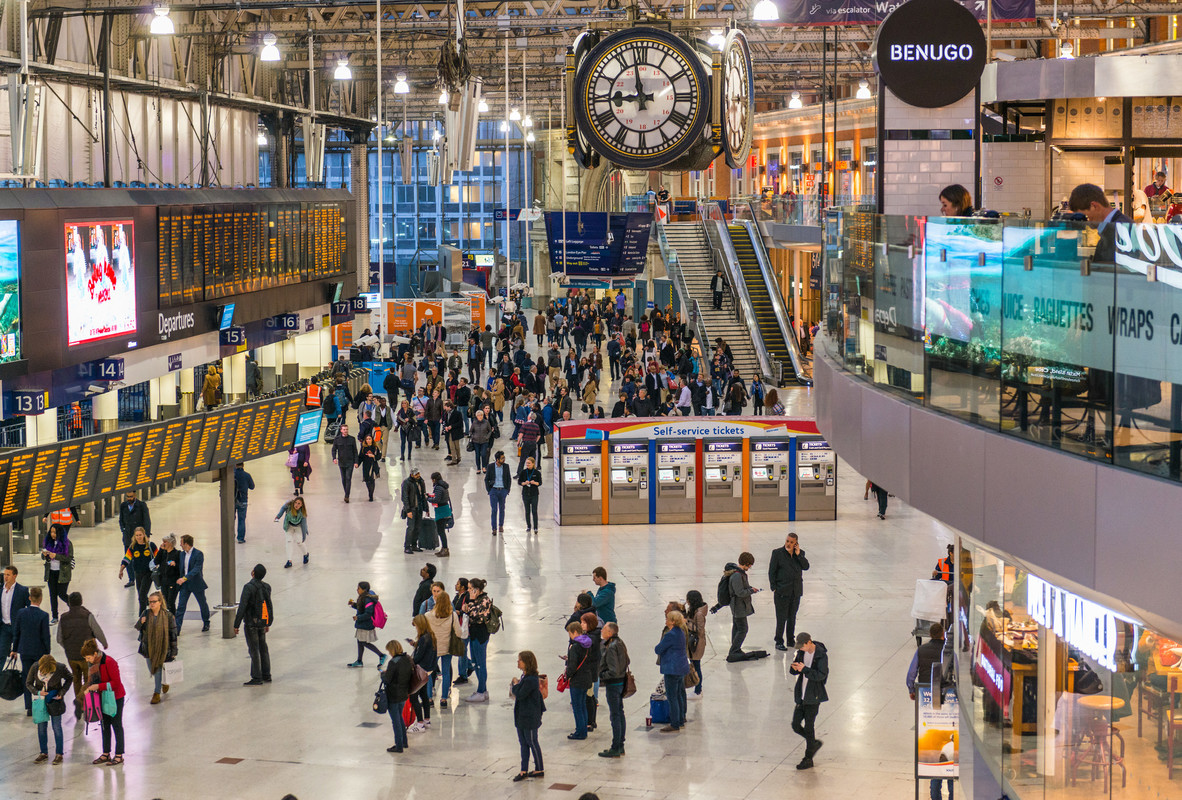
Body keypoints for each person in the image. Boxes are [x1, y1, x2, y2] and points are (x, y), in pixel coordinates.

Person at [57, 592, 106, 718]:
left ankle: (80, 704)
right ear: (81, 601)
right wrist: (104, 643)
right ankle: (81, 701)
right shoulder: (87, 616)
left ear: (69, 603)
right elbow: (97, 630)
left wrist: (67, 648)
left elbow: (59, 639)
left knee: (76, 678)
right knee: (88, 679)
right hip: (86, 655)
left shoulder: (63, 617)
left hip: (71, 656)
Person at [81, 638, 126, 765]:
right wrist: (88, 689)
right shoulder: (93, 665)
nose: (87, 660)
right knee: (105, 725)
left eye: (88, 657)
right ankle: (106, 753)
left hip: (115, 697)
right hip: (102, 697)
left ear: (95, 654)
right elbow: (91, 681)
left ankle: (119, 754)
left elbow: (116, 683)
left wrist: (98, 687)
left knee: (116, 725)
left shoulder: (109, 662)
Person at [791, 632, 829, 770]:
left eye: (802, 646)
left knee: (809, 726)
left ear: (809, 642)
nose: (800, 649)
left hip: (813, 695)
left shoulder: (821, 655)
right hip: (801, 694)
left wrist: (805, 669)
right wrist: (794, 668)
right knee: (795, 725)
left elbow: (821, 675)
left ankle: (808, 758)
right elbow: (796, 671)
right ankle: (813, 743)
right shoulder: (802, 653)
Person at [1068, 182, 1132, 263]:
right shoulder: (1110, 228)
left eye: (1086, 216)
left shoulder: (1120, 228)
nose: (1086, 222)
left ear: (1094, 206)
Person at [11, 586, 51, 716]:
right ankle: (40, 702)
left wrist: (14, 649)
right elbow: (45, 636)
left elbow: (16, 633)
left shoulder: (21, 613)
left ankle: (29, 706)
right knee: (40, 678)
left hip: (25, 650)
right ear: (40, 599)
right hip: (39, 652)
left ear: (29, 598)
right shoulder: (44, 615)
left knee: (27, 678)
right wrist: (47, 652)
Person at [26, 653, 71, 764]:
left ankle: (59, 754)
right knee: (41, 728)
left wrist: (62, 692)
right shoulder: (35, 666)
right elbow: (28, 683)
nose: (45, 674)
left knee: (57, 727)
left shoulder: (60, 667)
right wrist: (37, 692)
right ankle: (43, 753)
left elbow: (70, 678)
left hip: (55, 700)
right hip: (40, 700)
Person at [134, 591, 177, 706]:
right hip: (148, 647)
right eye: (150, 602)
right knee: (152, 669)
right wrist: (141, 622)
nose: (151, 604)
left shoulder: (168, 615)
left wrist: (174, 651)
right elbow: (137, 627)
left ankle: (156, 693)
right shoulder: (146, 613)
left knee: (157, 669)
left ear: (160, 602)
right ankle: (164, 681)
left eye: (154, 602)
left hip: (163, 647)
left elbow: (173, 633)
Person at [769, 533, 810, 652]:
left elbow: (806, 567)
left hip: (795, 591)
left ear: (796, 543)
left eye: (792, 542)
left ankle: (790, 640)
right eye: (787, 541)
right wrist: (774, 587)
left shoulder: (800, 554)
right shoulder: (777, 553)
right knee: (781, 617)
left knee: (792, 617)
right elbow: (772, 571)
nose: (788, 544)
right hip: (781, 591)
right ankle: (779, 640)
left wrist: (798, 555)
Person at [234, 564, 273, 686]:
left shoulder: (248, 587)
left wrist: (236, 624)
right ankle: (266, 674)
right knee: (263, 648)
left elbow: (242, 607)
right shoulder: (267, 587)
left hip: (251, 623)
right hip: (262, 622)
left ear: (253, 573)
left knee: (254, 650)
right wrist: (267, 622)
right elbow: (267, 605)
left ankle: (256, 677)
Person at [511, 650, 546, 781]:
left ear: (527, 663)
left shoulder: (531, 680)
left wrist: (515, 685)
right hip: (522, 715)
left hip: (530, 716)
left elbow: (520, 694)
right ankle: (523, 770)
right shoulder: (525, 677)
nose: (518, 662)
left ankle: (539, 768)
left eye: (520, 660)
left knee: (532, 741)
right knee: (523, 743)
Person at [425, 584, 462, 709]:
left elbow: (423, 632)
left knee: (429, 672)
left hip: (432, 648)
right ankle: (444, 699)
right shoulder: (453, 616)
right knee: (446, 672)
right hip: (447, 648)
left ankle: (429, 698)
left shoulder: (428, 616)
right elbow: (458, 632)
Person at [655, 609, 690, 733]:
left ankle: (674, 723)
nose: (666, 620)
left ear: (673, 622)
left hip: (672, 668)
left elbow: (658, 649)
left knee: (672, 696)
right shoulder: (680, 631)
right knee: (680, 694)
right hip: (681, 667)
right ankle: (680, 719)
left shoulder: (670, 635)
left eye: (667, 619)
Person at [598, 622, 630, 758]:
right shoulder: (620, 642)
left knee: (615, 715)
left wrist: (601, 676)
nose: (602, 631)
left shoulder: (611, 647)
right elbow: (627, 661)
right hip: (621, 682)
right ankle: (620, 745)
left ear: (610, 632)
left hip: (613, 684)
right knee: (619, 713)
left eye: (604, 629)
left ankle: (616, 746)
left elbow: (613, 670)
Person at [563, 621, 595, 740]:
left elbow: (572, 666)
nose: (570, 637)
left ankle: (580, 732)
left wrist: (567, 676)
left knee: (577, 707)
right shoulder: (587, 644)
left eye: (570, 634)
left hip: (577, 680)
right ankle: (583, 730)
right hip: (586, 677)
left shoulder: (575, 647)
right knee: (582, 705)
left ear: (575, 632)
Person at [463, 578, 493, 702]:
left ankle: (481, 691)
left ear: (477, 589)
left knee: (481, 664)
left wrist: (469, 604)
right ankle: (483, 689)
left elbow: (475, 615)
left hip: (480, 635)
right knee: (475, 662)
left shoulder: (484, 600)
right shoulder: (475, 600)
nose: (468, 590)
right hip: (473, 635)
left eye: (470, 588)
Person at [727, 552, 760, 661]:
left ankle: (735, 649)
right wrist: (751, 591)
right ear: (746, 563)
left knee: (737, 628)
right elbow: (739, 592)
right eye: (749, 565)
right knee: (743, 628)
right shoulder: (737, 575)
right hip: (738, 606)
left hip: (739, 606)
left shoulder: (740, 574)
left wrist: (751, 589)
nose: (750, 567)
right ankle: (734, 650)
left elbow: (742, 587)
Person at [382, 640, 413, 753]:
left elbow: (387, 679)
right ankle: (404, 742)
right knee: (400, 718)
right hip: (404, 693)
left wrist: (383, 674)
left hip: (394, 694)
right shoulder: (407, 659)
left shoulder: (393, 663)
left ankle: (399, 745)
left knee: (396, 720)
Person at [176, 535, 210, 634]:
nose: (180, 545)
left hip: (196, 583)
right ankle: (177, 628)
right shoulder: (182, 554)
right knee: (181, 606)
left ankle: (206, 622)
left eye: (181, 542)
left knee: (202, 603)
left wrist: (185, 578)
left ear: (186, 544)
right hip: (185, 585)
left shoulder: (198, 554)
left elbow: (196, 569)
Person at [118, 528, 157, 615]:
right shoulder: (132, 547)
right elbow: (127, 558)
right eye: (137, 535)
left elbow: (158, 557)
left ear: (144, 535)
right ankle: (149, 607)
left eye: (140, 535)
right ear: (134, 537)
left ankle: (142, 616)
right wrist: (121, 569)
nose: (139, 537)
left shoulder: (151, 546)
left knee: (142, 595)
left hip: (148, 573)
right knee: (141, 595)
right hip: (138, 573)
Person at [408, 614, 436, 732]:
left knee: (414, 696)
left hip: (421, 671)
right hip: (428, 670)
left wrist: (409, 662)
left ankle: (419, 723)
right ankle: (427, 720)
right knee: (424, 695)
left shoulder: (423, 638)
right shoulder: (431, 636)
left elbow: (418, 656)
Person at [347, 582, 385, 668]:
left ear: (364, 589)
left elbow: (368, 613)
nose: (357, 590)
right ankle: (359, 660)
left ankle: (381, 655)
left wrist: (358, 617)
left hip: (366, 624)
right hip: (362, 624)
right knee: (359, 641)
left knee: (363, 642)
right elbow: (362, 608)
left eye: (359, 588)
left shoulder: (367, 599)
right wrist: (353, 605)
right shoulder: (363, 597)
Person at [40, 525, 73, 623]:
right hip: (51, 572)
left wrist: (56, 556)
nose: (52, 534)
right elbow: (44, 557)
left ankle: (74, 607)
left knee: (61, 593)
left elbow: (69, 558)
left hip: (62, 573)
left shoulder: (67, 543)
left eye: (55, 532)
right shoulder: (49, 542)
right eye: (51, 532)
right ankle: (55, 616)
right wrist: (45, 555)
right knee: (53, 595)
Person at [117, 491, 151, 586]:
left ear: (135, 496)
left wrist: (147, 535)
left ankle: (143, 575)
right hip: (127, 536)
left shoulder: (141, 505)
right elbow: (121, 519)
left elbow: (147, 520)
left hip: (139, 536)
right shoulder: (123, 506)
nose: (129, 498)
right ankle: (131, 579)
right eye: (127, 496)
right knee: (128, 557)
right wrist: (123, 529)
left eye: (131, 496)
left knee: (141, 557)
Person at [907, 622, 947, 700]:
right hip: (943, 689)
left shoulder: (921, 650)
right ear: (943, 634)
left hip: (924, 688)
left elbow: (911, 672)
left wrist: (911, 690)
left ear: (930, 635)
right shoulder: (948, 650)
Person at [0, 565, 30, 658]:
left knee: (25, 653)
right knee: (2, 654)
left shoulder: (22, 590)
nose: (5, 577)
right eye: (5, 574)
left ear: (15, 576)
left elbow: (30, 607)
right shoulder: (1, 589)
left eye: (8, 575)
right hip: (4, 627)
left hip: (18, 627)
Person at [275, 497, 310, 569]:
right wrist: (278, 517)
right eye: (295, 503)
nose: (296, 505)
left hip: (298, 527)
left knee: (299, 542)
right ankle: (289, 561)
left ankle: (306, 554)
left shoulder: (303, 513)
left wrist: (304, 536)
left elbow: (303, 525)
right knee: (289, 542)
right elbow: (282, 509)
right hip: (289, 526)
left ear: (301, 505)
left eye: (299, 503)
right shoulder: (289, 505)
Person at [685, 590, 707, 696]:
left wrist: (687, 623)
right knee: (694, 665)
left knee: (696, 667)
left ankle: (698, 690)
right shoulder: (693, 610)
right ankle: (697, 688)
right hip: (692, 643)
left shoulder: (699, 614)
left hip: (697, 644)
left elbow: (700, 630)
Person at [400, 467, 427, 555]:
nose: (418, 475)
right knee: (411, 527)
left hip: (419, 508)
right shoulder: (407, 483)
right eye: (416, 474)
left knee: (418, 527)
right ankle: (407, 546)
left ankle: (414, 545)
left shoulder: (421, 482)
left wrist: (426, 508)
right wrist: (408, 510)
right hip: (411, 508)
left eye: (418, 474)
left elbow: (423, 495)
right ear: (411, 475)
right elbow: (405, 497)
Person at [485, 450, 512, 536]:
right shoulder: (491, 466)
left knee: (502, 509)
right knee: (494, 509)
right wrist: (489, 490)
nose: (504, 459)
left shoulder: (506, 466)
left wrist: (507, 490)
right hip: (494, 490)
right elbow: (486, 479)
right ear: (497, 459)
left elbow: (509, 478)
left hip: (503, 490)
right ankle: (494, 528)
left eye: (504, 458)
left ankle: (501, 525)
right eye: (502, 458)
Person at [155, 533, 182, 615]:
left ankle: (173, 619)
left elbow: (180, 567)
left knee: (171, 602)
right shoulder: (163, 553)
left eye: (165, 542)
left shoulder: (177, 553)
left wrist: (175, 564)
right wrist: (160, 550)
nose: (163, 544)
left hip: (173, 581)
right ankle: (166, 618)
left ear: (170, 543)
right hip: (163, 581)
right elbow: (156, 561)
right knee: (165, 601)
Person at [426, 473, 452, 558]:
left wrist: (428, 498)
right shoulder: (443, 486)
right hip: (445, 509)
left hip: (441, 511)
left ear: (434, 479)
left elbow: (436, 499)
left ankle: (445, 549)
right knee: (441, 531)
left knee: (441, 531)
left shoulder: (438, 487)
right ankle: (444, 548)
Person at [331, 423, 359, 502]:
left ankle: (347, 496)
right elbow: (334, 449)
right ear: (341, 430)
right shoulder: (337, 439)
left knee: (348, 478)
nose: (345, 431)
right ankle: (346, 492)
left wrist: (356, 462)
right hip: (341, 462)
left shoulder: (352, 439)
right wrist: (334, 458)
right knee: (343, 479)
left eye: (346, 429)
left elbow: (355, 451)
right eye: (344, 429)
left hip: (350, 462)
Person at [517, 456, 542, 534]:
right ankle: (528, 526)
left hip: (534, 494)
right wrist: (524, 483)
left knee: (534, 511)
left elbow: (540, 483)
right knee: (527, 511)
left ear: (533, 463)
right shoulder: (523, 472)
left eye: (529, 463)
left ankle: (535, 527)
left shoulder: (537, 473)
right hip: (525, 494)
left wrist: (534, 483)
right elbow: (519, 482)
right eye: (526, 463)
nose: (527, 465)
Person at [233, 462, 255, 542]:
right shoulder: (247, 475)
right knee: (241, 519)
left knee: (231, 519)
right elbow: (252, 487)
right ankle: (240, 538)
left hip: (231, 500)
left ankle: (230, 536)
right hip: (243, 500)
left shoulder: (231, 475)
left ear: (235, 465)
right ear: (243, 465)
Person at [469, 408, 494, 474]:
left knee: (483, 454)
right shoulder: (474, 423)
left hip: (484, 441)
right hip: (476, 441)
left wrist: (487, 437)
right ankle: (478, 468)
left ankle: (484, 466)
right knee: (477, 455)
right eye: (478, 416)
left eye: (481, 415)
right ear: (476, 416)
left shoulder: (486, 422)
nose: (480, 417)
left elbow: (490, 430)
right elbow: (471, 431)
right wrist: (473, 437)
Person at [358, 433, 383, 502]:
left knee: (372, 480)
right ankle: (370, 491)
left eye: (369, 439)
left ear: (372, 440)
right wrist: (357, 463)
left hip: (373, 466)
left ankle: (371, 495)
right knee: (367, 480)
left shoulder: (375, 448)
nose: (368, 440)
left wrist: (373, 457)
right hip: (366, 466)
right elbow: (360, 457)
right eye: (367, 439)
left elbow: (379, 456)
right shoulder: (363, 448)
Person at [443, 400, 465, 465]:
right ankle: (454, 459)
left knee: (456, 446)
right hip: (449, 432)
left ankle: (458, 457)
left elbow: (460, 423)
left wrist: (452, 426)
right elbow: (446, 422)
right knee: (452, 446)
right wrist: (446, 427)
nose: (445, 408)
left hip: (456, 432)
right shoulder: (446, 413)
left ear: (449, 407)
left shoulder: (457, 413)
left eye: (446, 406)